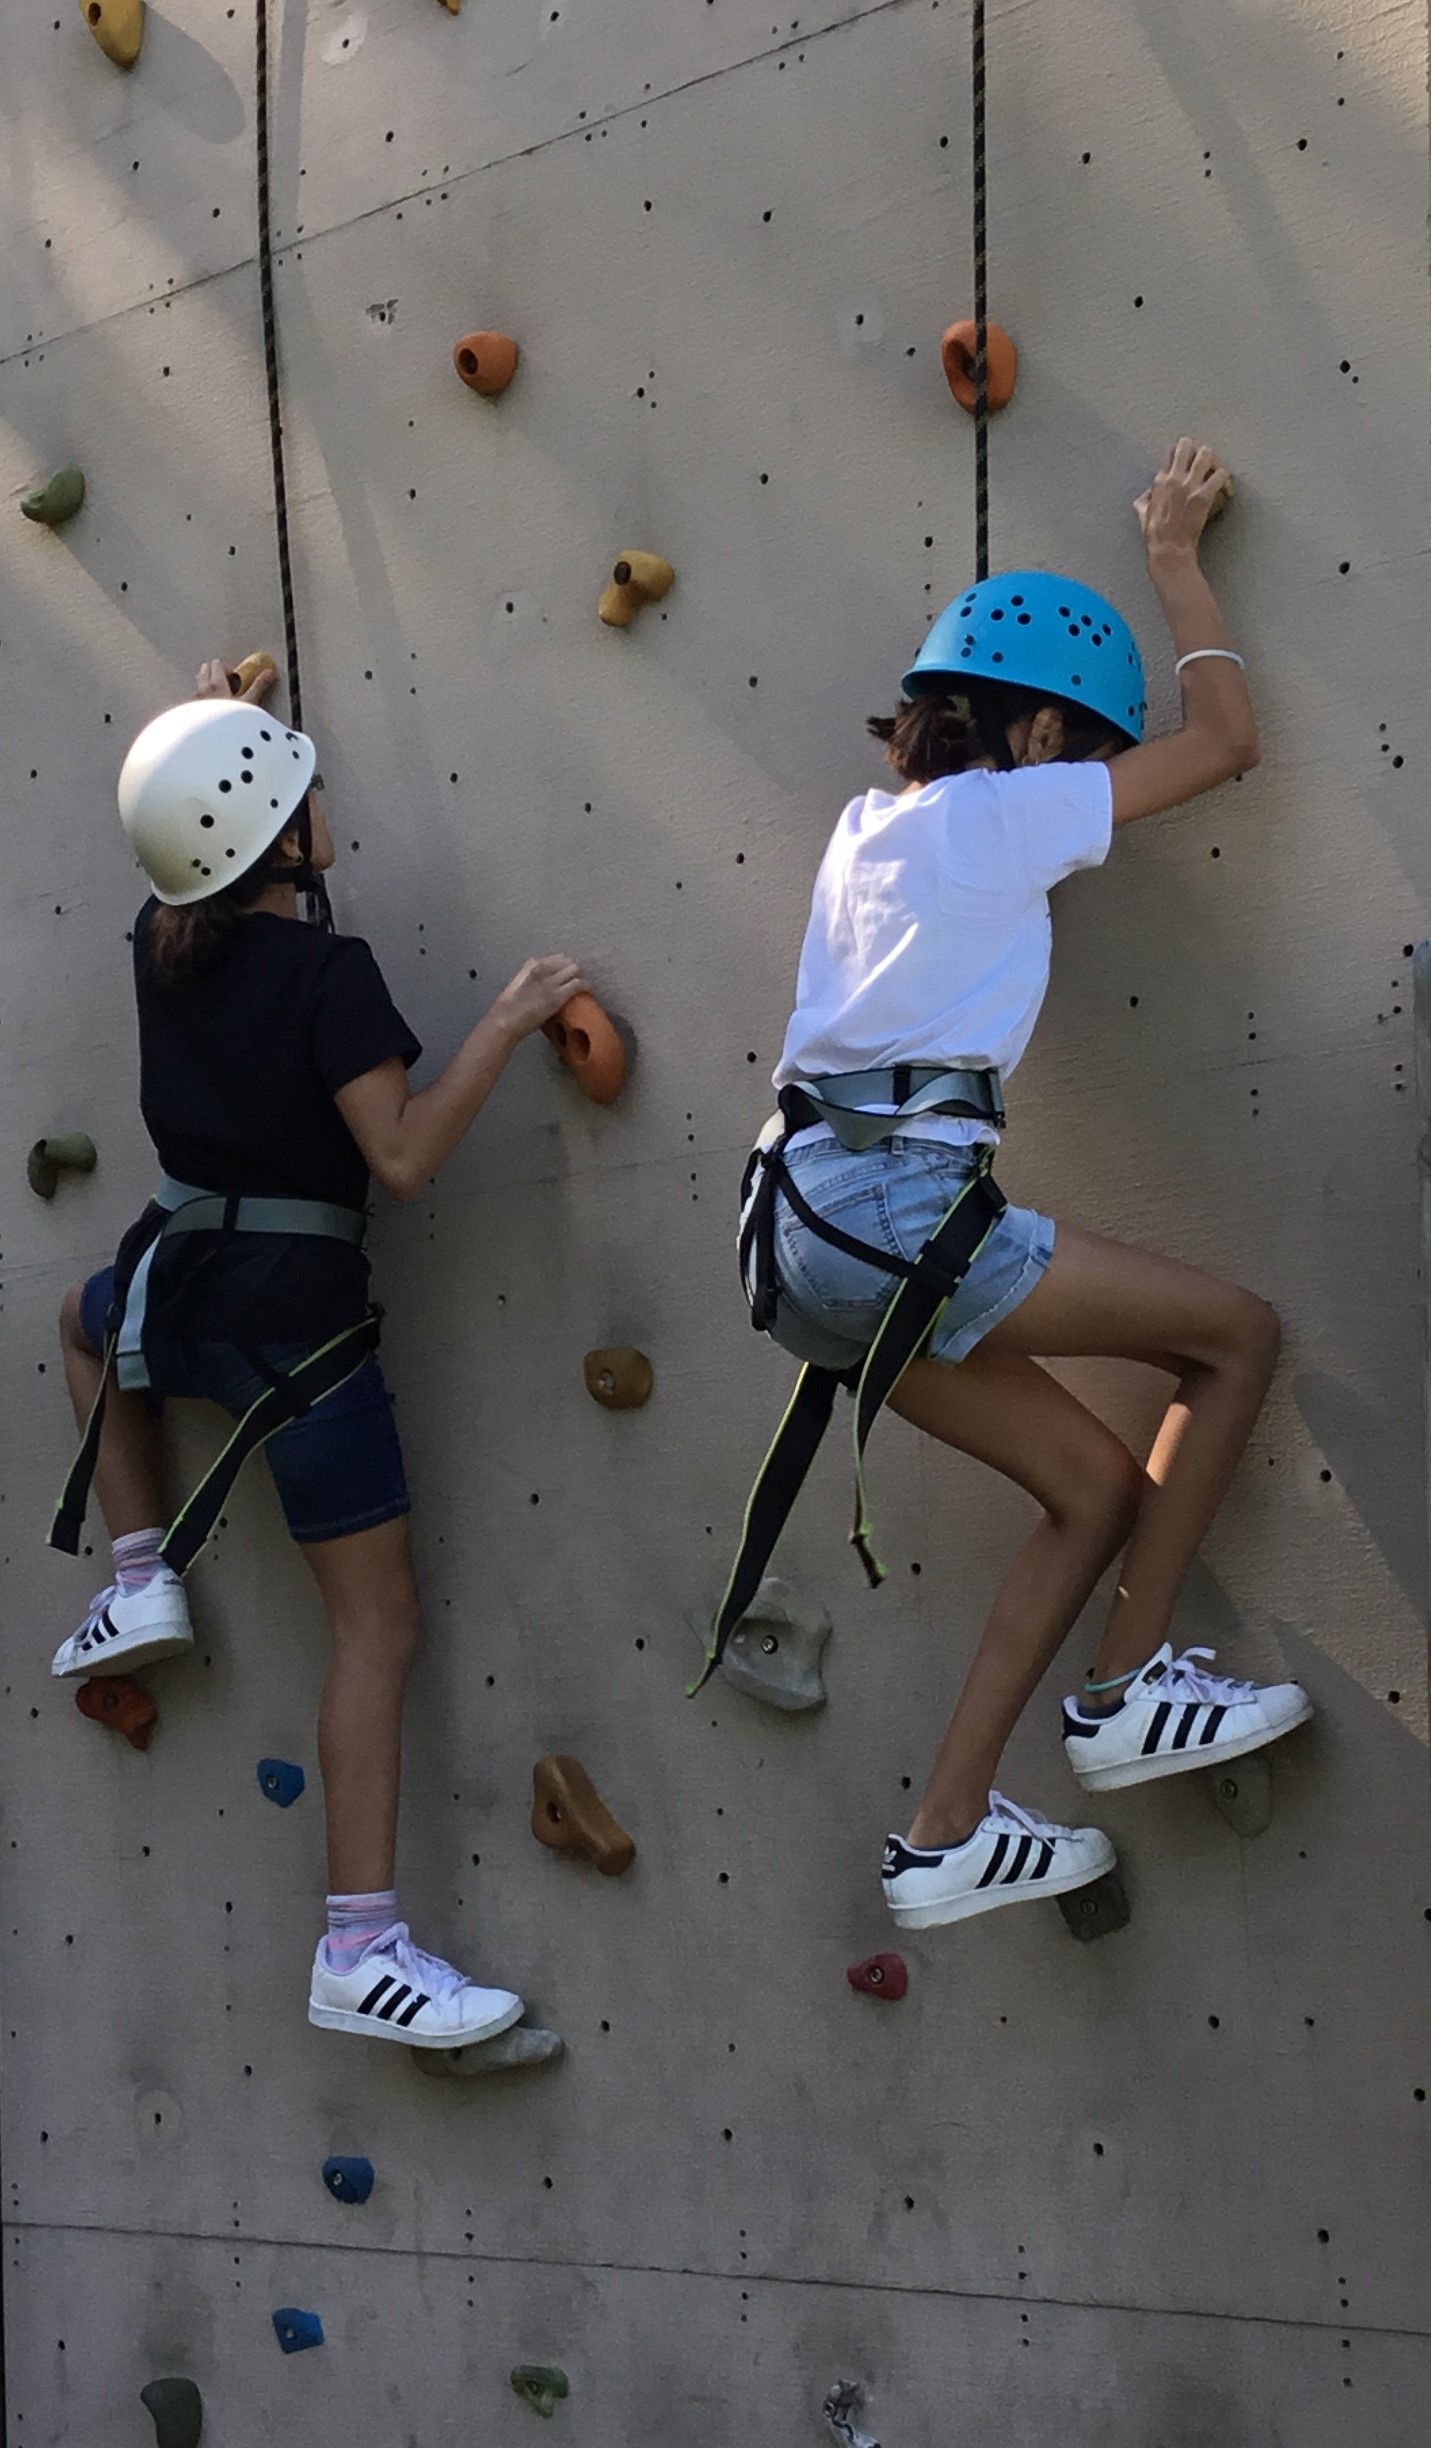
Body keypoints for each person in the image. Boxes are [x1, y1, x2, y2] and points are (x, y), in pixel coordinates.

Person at [730, 439, 1311, 1933]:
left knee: (1094, 1487)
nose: (1092, 779)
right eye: (1084, 747)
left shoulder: (867, 834)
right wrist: (1177, 558)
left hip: (795, 1237)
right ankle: (1126, 1686)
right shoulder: (1004, 811)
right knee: (1232, 1335)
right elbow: (1226, 740)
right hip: (898, 1214)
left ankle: (941, 1833)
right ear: (1041, 731)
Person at [50, 658, 585, 2041]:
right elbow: (400, 1157)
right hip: (300, 1331)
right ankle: (360, 1950)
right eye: (298, 789)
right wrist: (508, 1023)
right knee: (378, 1624)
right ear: (275, 837)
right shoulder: (325, 972)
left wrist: (209, 718)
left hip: (169, 1297)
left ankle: (139, 1572)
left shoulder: (158, 947)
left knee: (77, 1318)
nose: (321, 798)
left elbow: (188, 848)